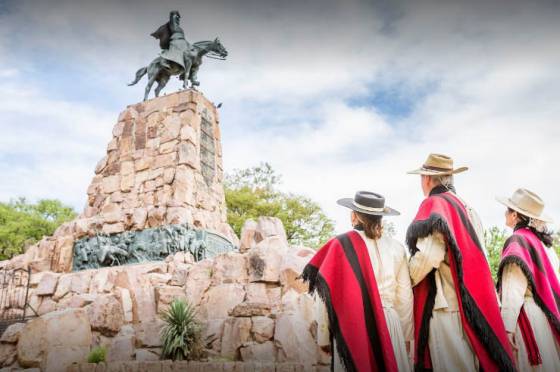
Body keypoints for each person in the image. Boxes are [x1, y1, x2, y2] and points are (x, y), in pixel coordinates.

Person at [406, 153, 515, 371]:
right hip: (472, 304)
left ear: (427, 179)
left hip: (445, 306)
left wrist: (405, 280)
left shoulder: (435, 204)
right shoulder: (468, 207)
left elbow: (429, 256)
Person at [302, 191, 413, 371]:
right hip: (390, 324)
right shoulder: (397, 248)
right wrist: (405, 336)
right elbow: (405, 298)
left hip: (353, 324)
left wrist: (324, 335)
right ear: (380, 218)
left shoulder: (339, 245)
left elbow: (326, 296)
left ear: (354, 216)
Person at [497, 188, 560, 371]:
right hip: (546, 319)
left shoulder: (518, 241)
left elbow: (512, 292)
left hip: (527, 319)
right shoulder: (543, 244)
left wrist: (507, 329)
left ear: (515, 215)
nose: (505, 213)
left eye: (507, 209)